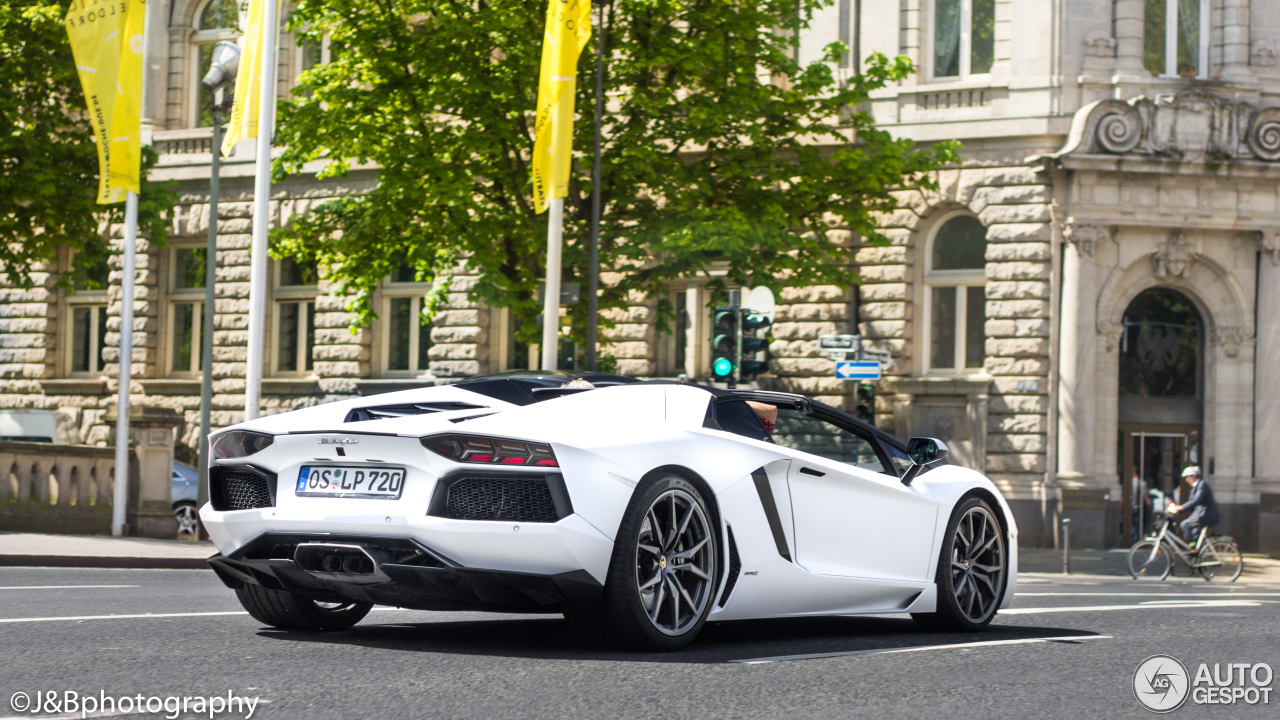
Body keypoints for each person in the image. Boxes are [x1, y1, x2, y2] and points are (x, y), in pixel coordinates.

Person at [1166, 466, 1218, 548]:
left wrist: (1181, 508)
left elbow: (1196, 500)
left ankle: (1193, 548)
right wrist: (1179, 509)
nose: (1186, 480)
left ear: (1193, 476)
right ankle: (1195, 549)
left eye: (1188, 477)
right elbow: (1191, 502)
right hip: (1200, 514)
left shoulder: (1202, 485)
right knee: (1189, 527)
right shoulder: (1196, 486)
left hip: (1205, 514)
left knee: (1185, 525)